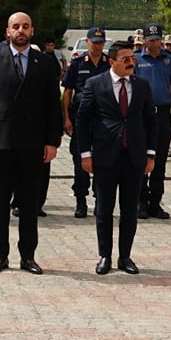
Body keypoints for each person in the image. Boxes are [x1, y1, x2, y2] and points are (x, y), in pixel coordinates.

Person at [0, 11, 63, 274]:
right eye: (16, 26)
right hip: (1, 145)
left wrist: (52, 142)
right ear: (7, 32)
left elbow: (53, 106)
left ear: (32, 31)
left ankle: (28, 256)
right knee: (1, 204)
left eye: (25, 26)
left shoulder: (45, 63)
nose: (21, 31)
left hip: (33, 145)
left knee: (28, 205)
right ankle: (0, 255)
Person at [73, 34, 152, 275]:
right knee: (104, 209)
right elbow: (83, 120)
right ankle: (105, 255)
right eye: (126, 58)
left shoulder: (141, 86)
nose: (131, 62)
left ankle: (125, 256)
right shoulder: (95, 84)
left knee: (129, 210)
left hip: (134, 157)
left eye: (133, 58)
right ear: (112, 61)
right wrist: (85, 153)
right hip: (105, 157)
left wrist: (151, 154)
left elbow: (151, 120)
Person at [61, 29, 110, 218]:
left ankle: (100, 201)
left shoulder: (109, 64)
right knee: (80, 161)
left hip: (103, 120)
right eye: (94, 42)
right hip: (81, 119)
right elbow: (68, 92)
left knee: (102, 161)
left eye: (100, 42)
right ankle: (80, 200)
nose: (97, 45)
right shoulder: (77, 63)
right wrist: (66, 117)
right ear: (87, 42)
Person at [134, 24, 171, 218]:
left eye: (157, 39)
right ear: (144, 40)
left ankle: (155, 203)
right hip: (143, 115)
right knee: (142, 159)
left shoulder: (169, 60)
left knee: (160, 161)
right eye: (150, 39)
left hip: (162, 115)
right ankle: (141, 202)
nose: (154, 42)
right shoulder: (136, 59)